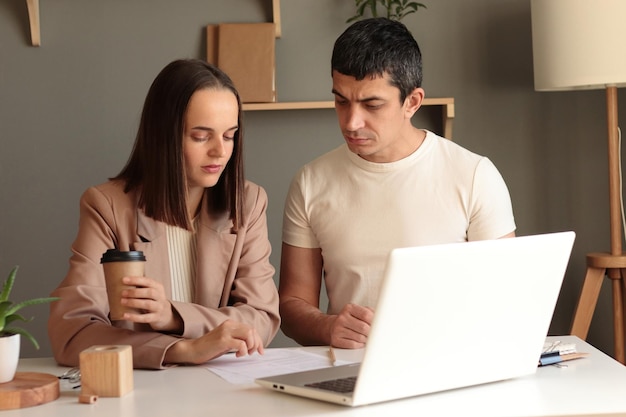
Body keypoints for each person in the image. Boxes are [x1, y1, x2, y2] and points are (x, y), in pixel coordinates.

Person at [279, 18, 516, 349]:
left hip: (449, 367)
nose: (351, 121)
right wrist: (328, 327)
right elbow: (292, 306)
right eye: (341, 100)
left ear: (413, 102)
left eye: (372, 104)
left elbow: (506, 301)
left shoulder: (474, 175)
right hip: (349, 372)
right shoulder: (310, 182)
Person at [48, 59, 280, 369]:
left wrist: (173, 315)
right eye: (200, 136)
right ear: (164, 136)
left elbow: (261, 318)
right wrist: (181, 349)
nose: (220, 152)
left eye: (229, 135)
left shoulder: (248, 202)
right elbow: (72, 334)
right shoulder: (107, 206)